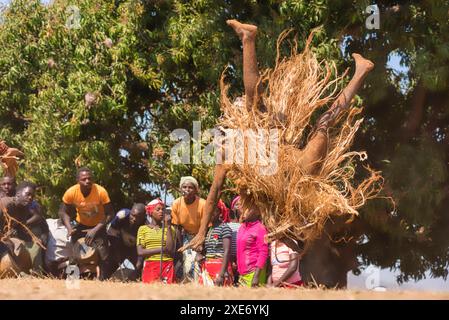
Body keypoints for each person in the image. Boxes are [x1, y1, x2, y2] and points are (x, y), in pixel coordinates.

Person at [182, 20, 376, 261]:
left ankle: (360, 71)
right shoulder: (229, 149)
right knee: (322, 123)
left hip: (298, 170)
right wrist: (201, 231)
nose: (244, 109)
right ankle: (249, 39)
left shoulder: (264, 134)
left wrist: (202, 232)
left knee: (323, 123)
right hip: (298, 182)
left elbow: (214, 194)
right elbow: (214, 194)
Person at [58, 167, 114, 279]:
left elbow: (110, 214)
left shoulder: (101, 191)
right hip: (81, 225)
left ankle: (104, 282)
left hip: (98, 226)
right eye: (84, 179)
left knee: (104, 256)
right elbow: (62, 211)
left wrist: (95, 230)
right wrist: (69, 227)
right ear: (78, 181)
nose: (87, 181)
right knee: (74, 256)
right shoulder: (71, 192)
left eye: (90, 178)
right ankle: (72, 282)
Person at [0, 181, 47, 273]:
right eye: (27, 194)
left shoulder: (24, 209)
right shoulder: (5, 203)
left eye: (32, 196)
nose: (30, 198)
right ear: (18, 194)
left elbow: (18, 225)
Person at [171, 176, 206, 282]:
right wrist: (182, 246)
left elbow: (206, 227)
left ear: (196, 190)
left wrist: (201, 244)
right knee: (187, 262)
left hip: (201, 235)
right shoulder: (176, 203)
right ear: (181, 189)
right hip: (186, 236)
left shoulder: (203, 204)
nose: (187, 190)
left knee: (198, 262)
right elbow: (177, 227)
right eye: (184, 187)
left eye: (190, 187)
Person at [137, 199, 175, 284]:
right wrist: (161, 249)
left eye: (163, 210)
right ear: (150, 212)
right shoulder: (143, 229)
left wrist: (168, 226)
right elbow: (140, 252)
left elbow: (170, 249)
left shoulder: (170, 229)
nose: (161, 212)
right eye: (158, 209)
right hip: (150, 265)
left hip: (167, 264)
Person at [105, 203, 146, 279]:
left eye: (138, 217)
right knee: (108, 268)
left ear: (143, 217)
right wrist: (115, 249)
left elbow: (143, 248)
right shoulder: (122, 215)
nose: (134, 219)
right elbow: (111, 232)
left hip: (135, 250)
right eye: (132, 215)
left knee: (140, 271)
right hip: (119, 245)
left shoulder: (146, 225)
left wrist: (139, 264)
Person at [198, 200, 233, 286]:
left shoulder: (224, 228)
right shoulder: (208, 229)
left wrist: (221, 275)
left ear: (220, 213)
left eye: (214, 210)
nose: (210, 212)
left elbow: (227, 251)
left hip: (220, 267)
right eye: (208, 210)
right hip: (208, 267)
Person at [236, 204, 269, 287]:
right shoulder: (242, 227)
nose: (244, 211)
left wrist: (256, 276)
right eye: (243, 208)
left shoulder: (260, 228)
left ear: (257, 212)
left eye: (248, 209)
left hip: (254, 273)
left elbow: (263, 252)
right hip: (242, 275)